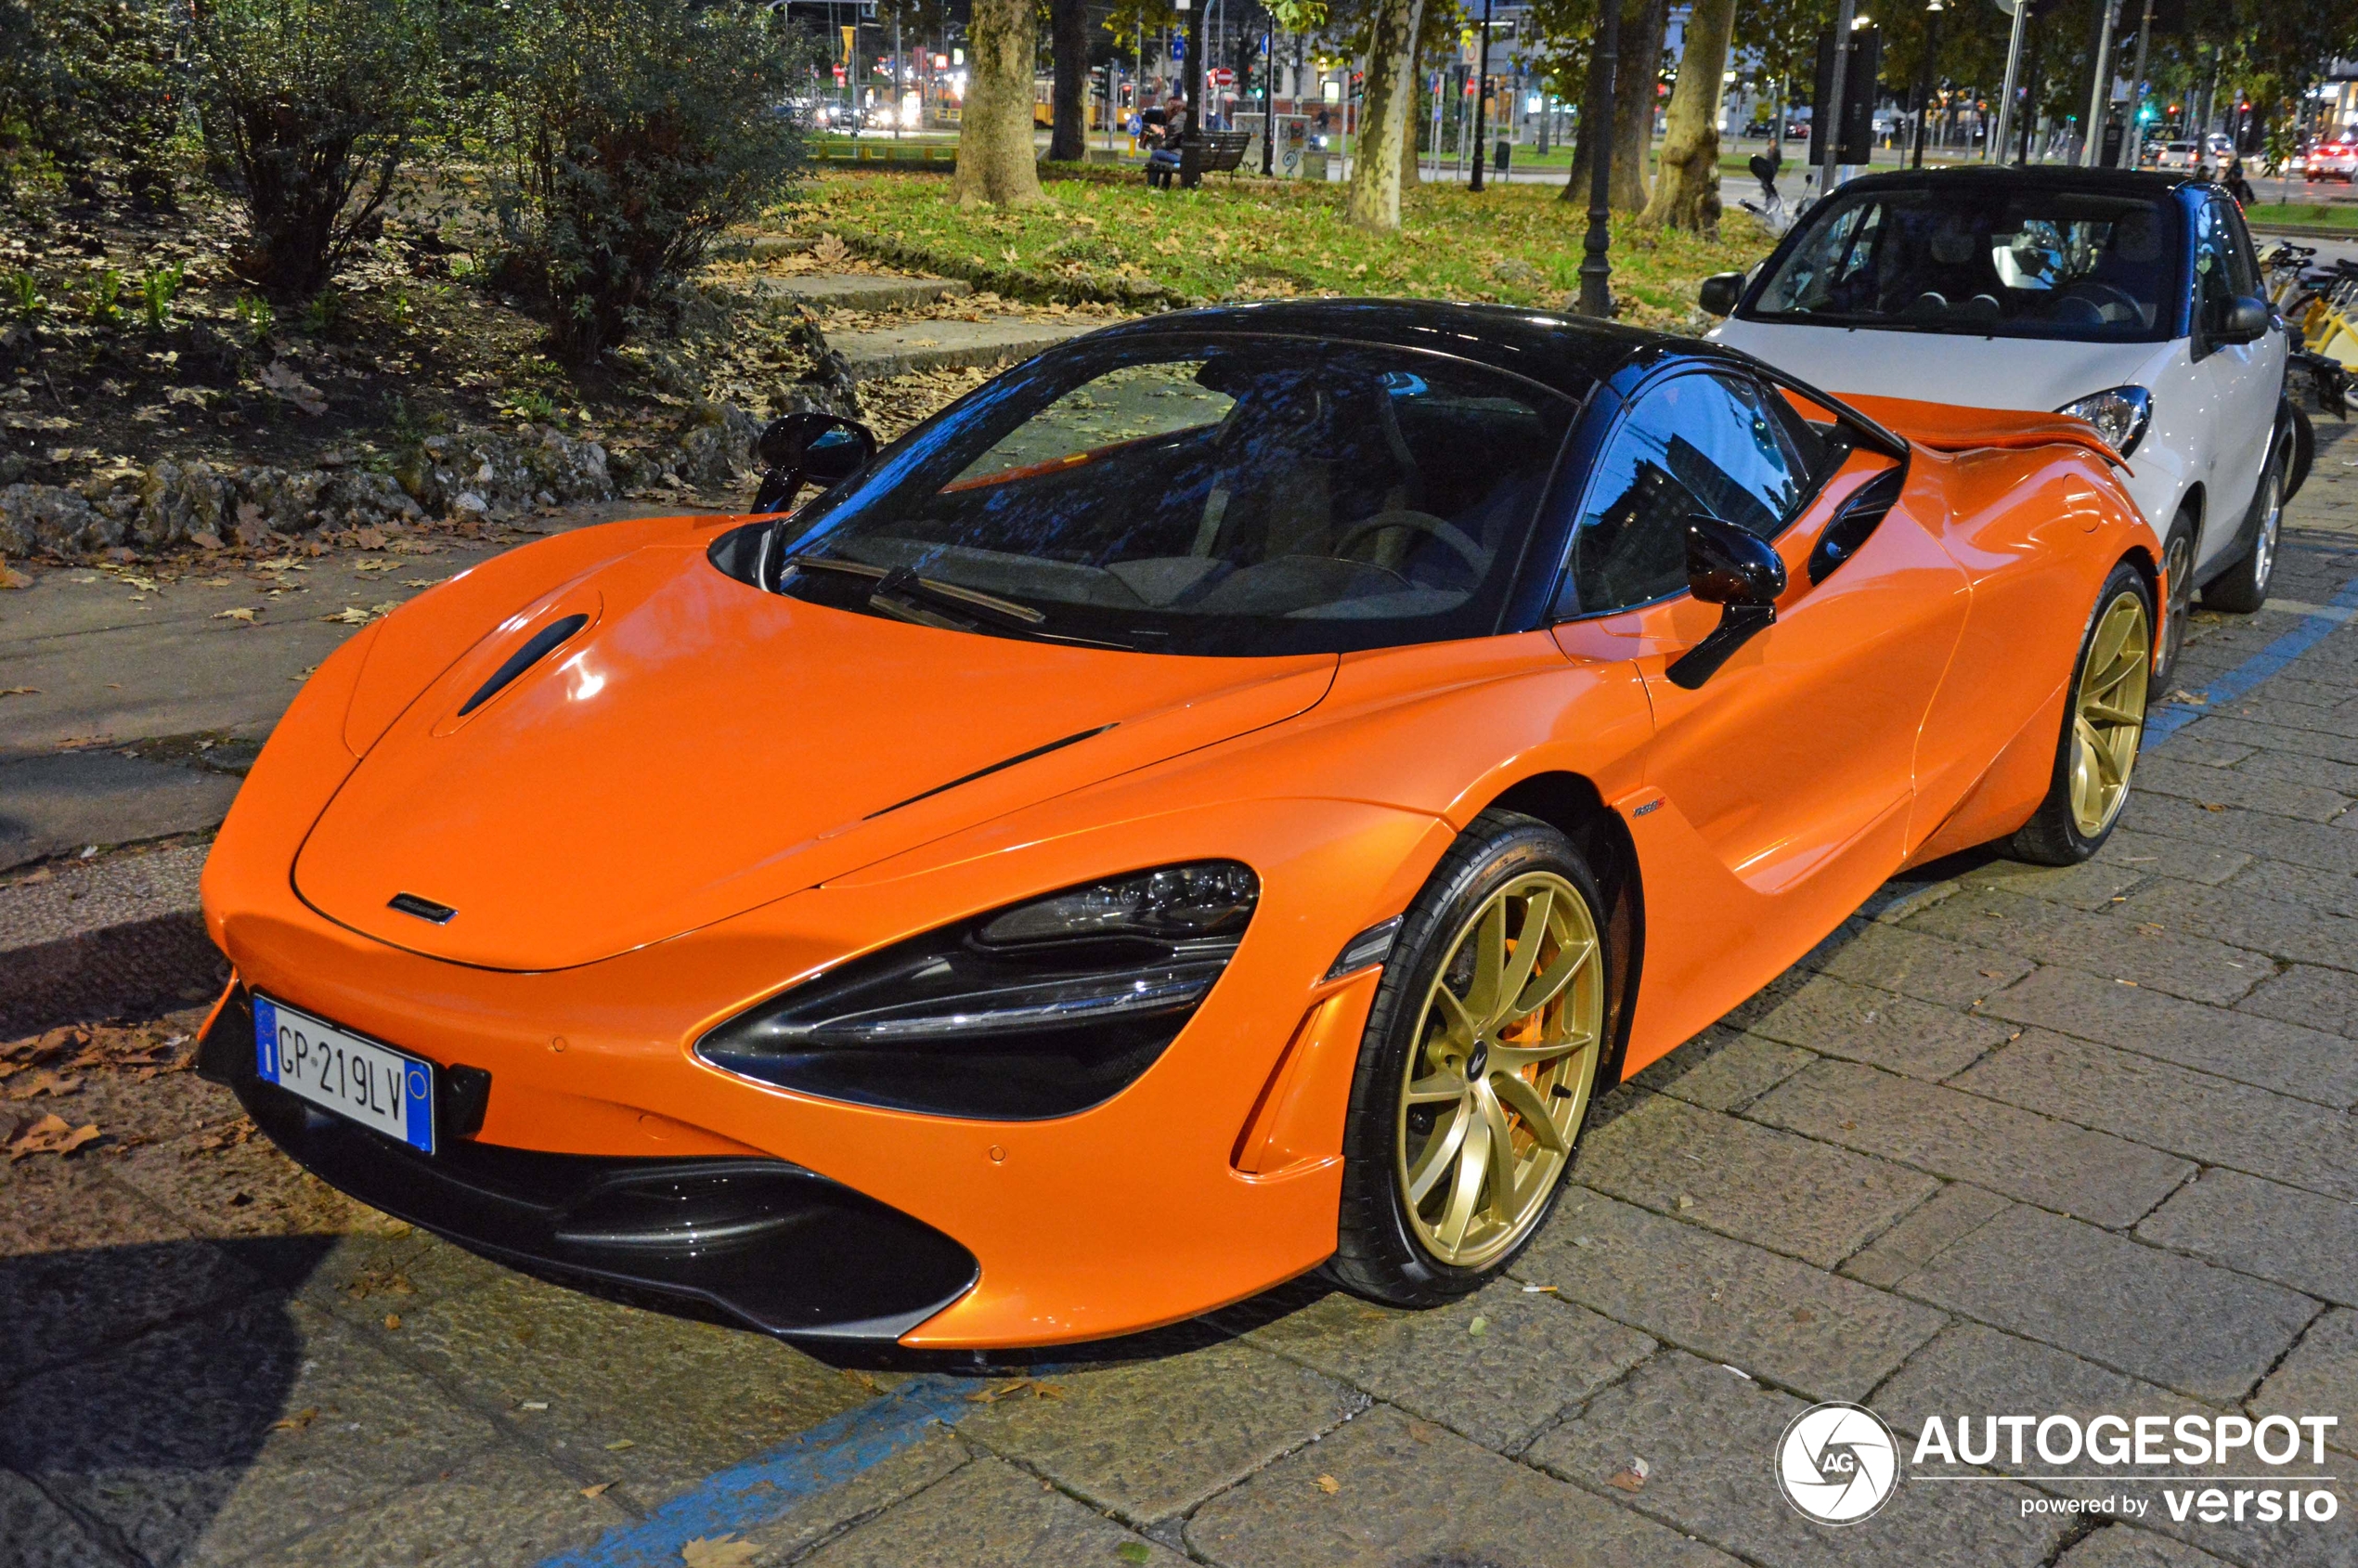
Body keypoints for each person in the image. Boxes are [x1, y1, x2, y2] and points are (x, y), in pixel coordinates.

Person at [1146, 96, 1188, 188]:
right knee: (1165, 156)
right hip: (1190, 155)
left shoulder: (1175, 122)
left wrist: (1159, 134)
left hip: (1182, 157)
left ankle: (1152, 184)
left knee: (1156, 154)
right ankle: (1165, 185)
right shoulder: (1187, 118)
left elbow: (1168, 145)